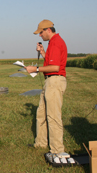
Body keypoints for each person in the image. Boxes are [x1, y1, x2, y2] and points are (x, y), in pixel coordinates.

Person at [25, 19, 68, 161]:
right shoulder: (52, 43)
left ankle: (57, 150)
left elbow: (55, 68)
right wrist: (43, 52)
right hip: (50, 81)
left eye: (41, 32)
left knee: (53, 117)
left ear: (48, 30)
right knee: (41, 114)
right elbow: (51, 62)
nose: (40, 36)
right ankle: (41, 143)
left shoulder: (56, 43)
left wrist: (35, 69)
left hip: (54, 81)